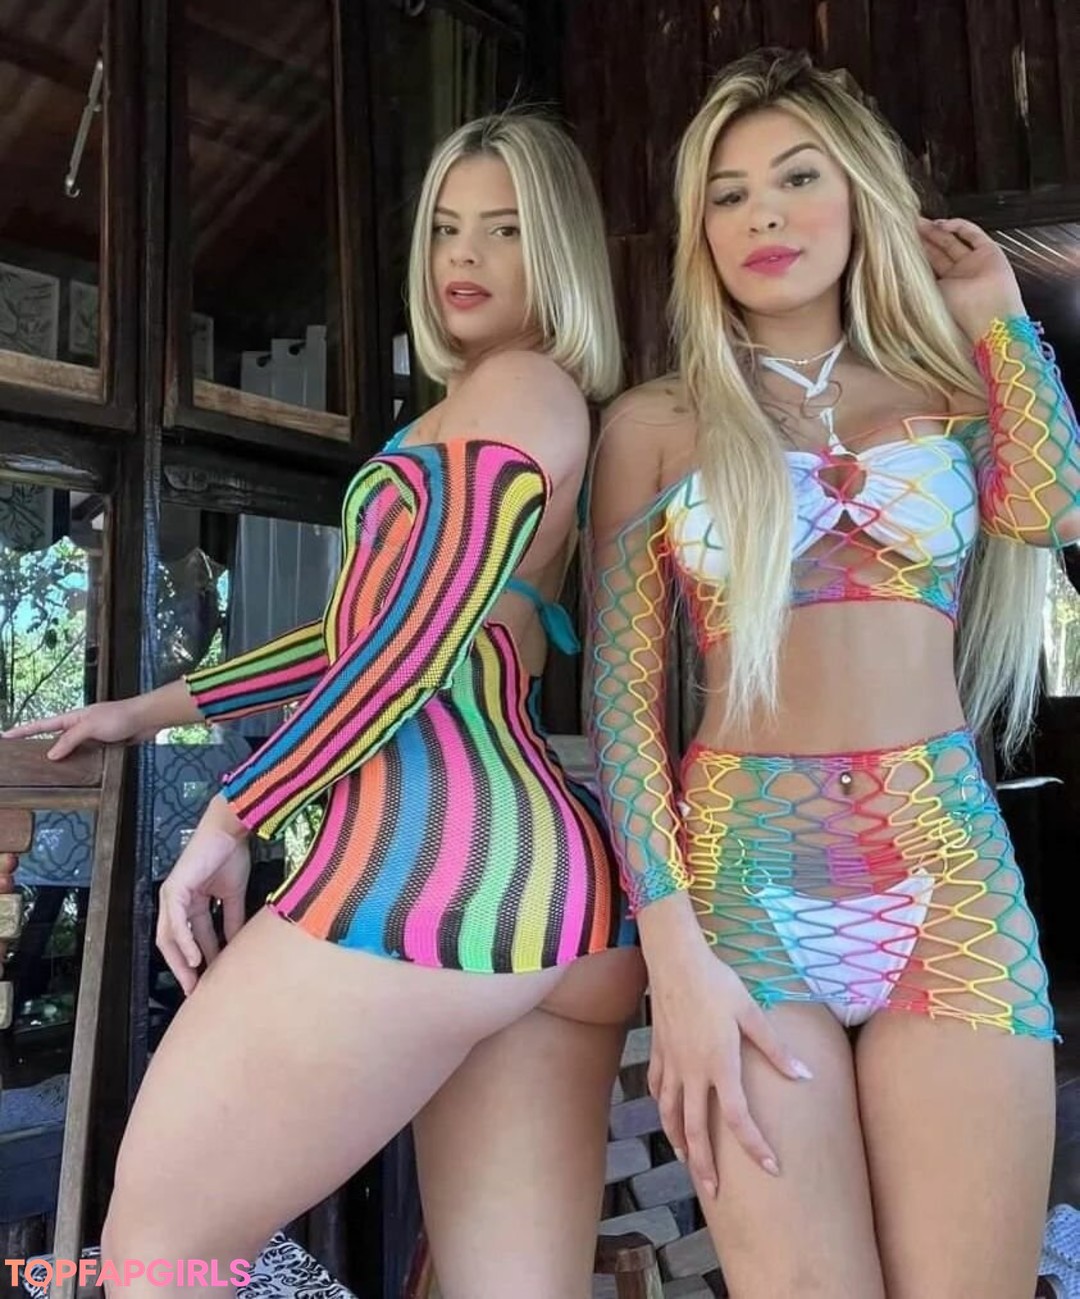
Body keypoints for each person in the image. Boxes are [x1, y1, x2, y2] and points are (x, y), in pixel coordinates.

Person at [5, 112, 643, 1299]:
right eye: (447, 226)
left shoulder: (521, 386)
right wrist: (145, 710)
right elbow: (354, 636)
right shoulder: (500, 405)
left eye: (507, 230)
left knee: (155, 1261)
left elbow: (411, 640)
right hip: (552, 893)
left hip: (430, 861)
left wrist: (236, 812)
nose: (465, 255)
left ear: (558, 253)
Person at [587, 48, 1078, 1299]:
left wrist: (998, 318)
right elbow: (623, 710)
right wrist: (675, 961)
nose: (763, 215)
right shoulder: (655, 425)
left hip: (947, 869)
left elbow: (1053, 508)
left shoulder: (952, 392)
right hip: (742, 885)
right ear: (700, 230)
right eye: (729, 193)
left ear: (861, 193)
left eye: (798, 178)